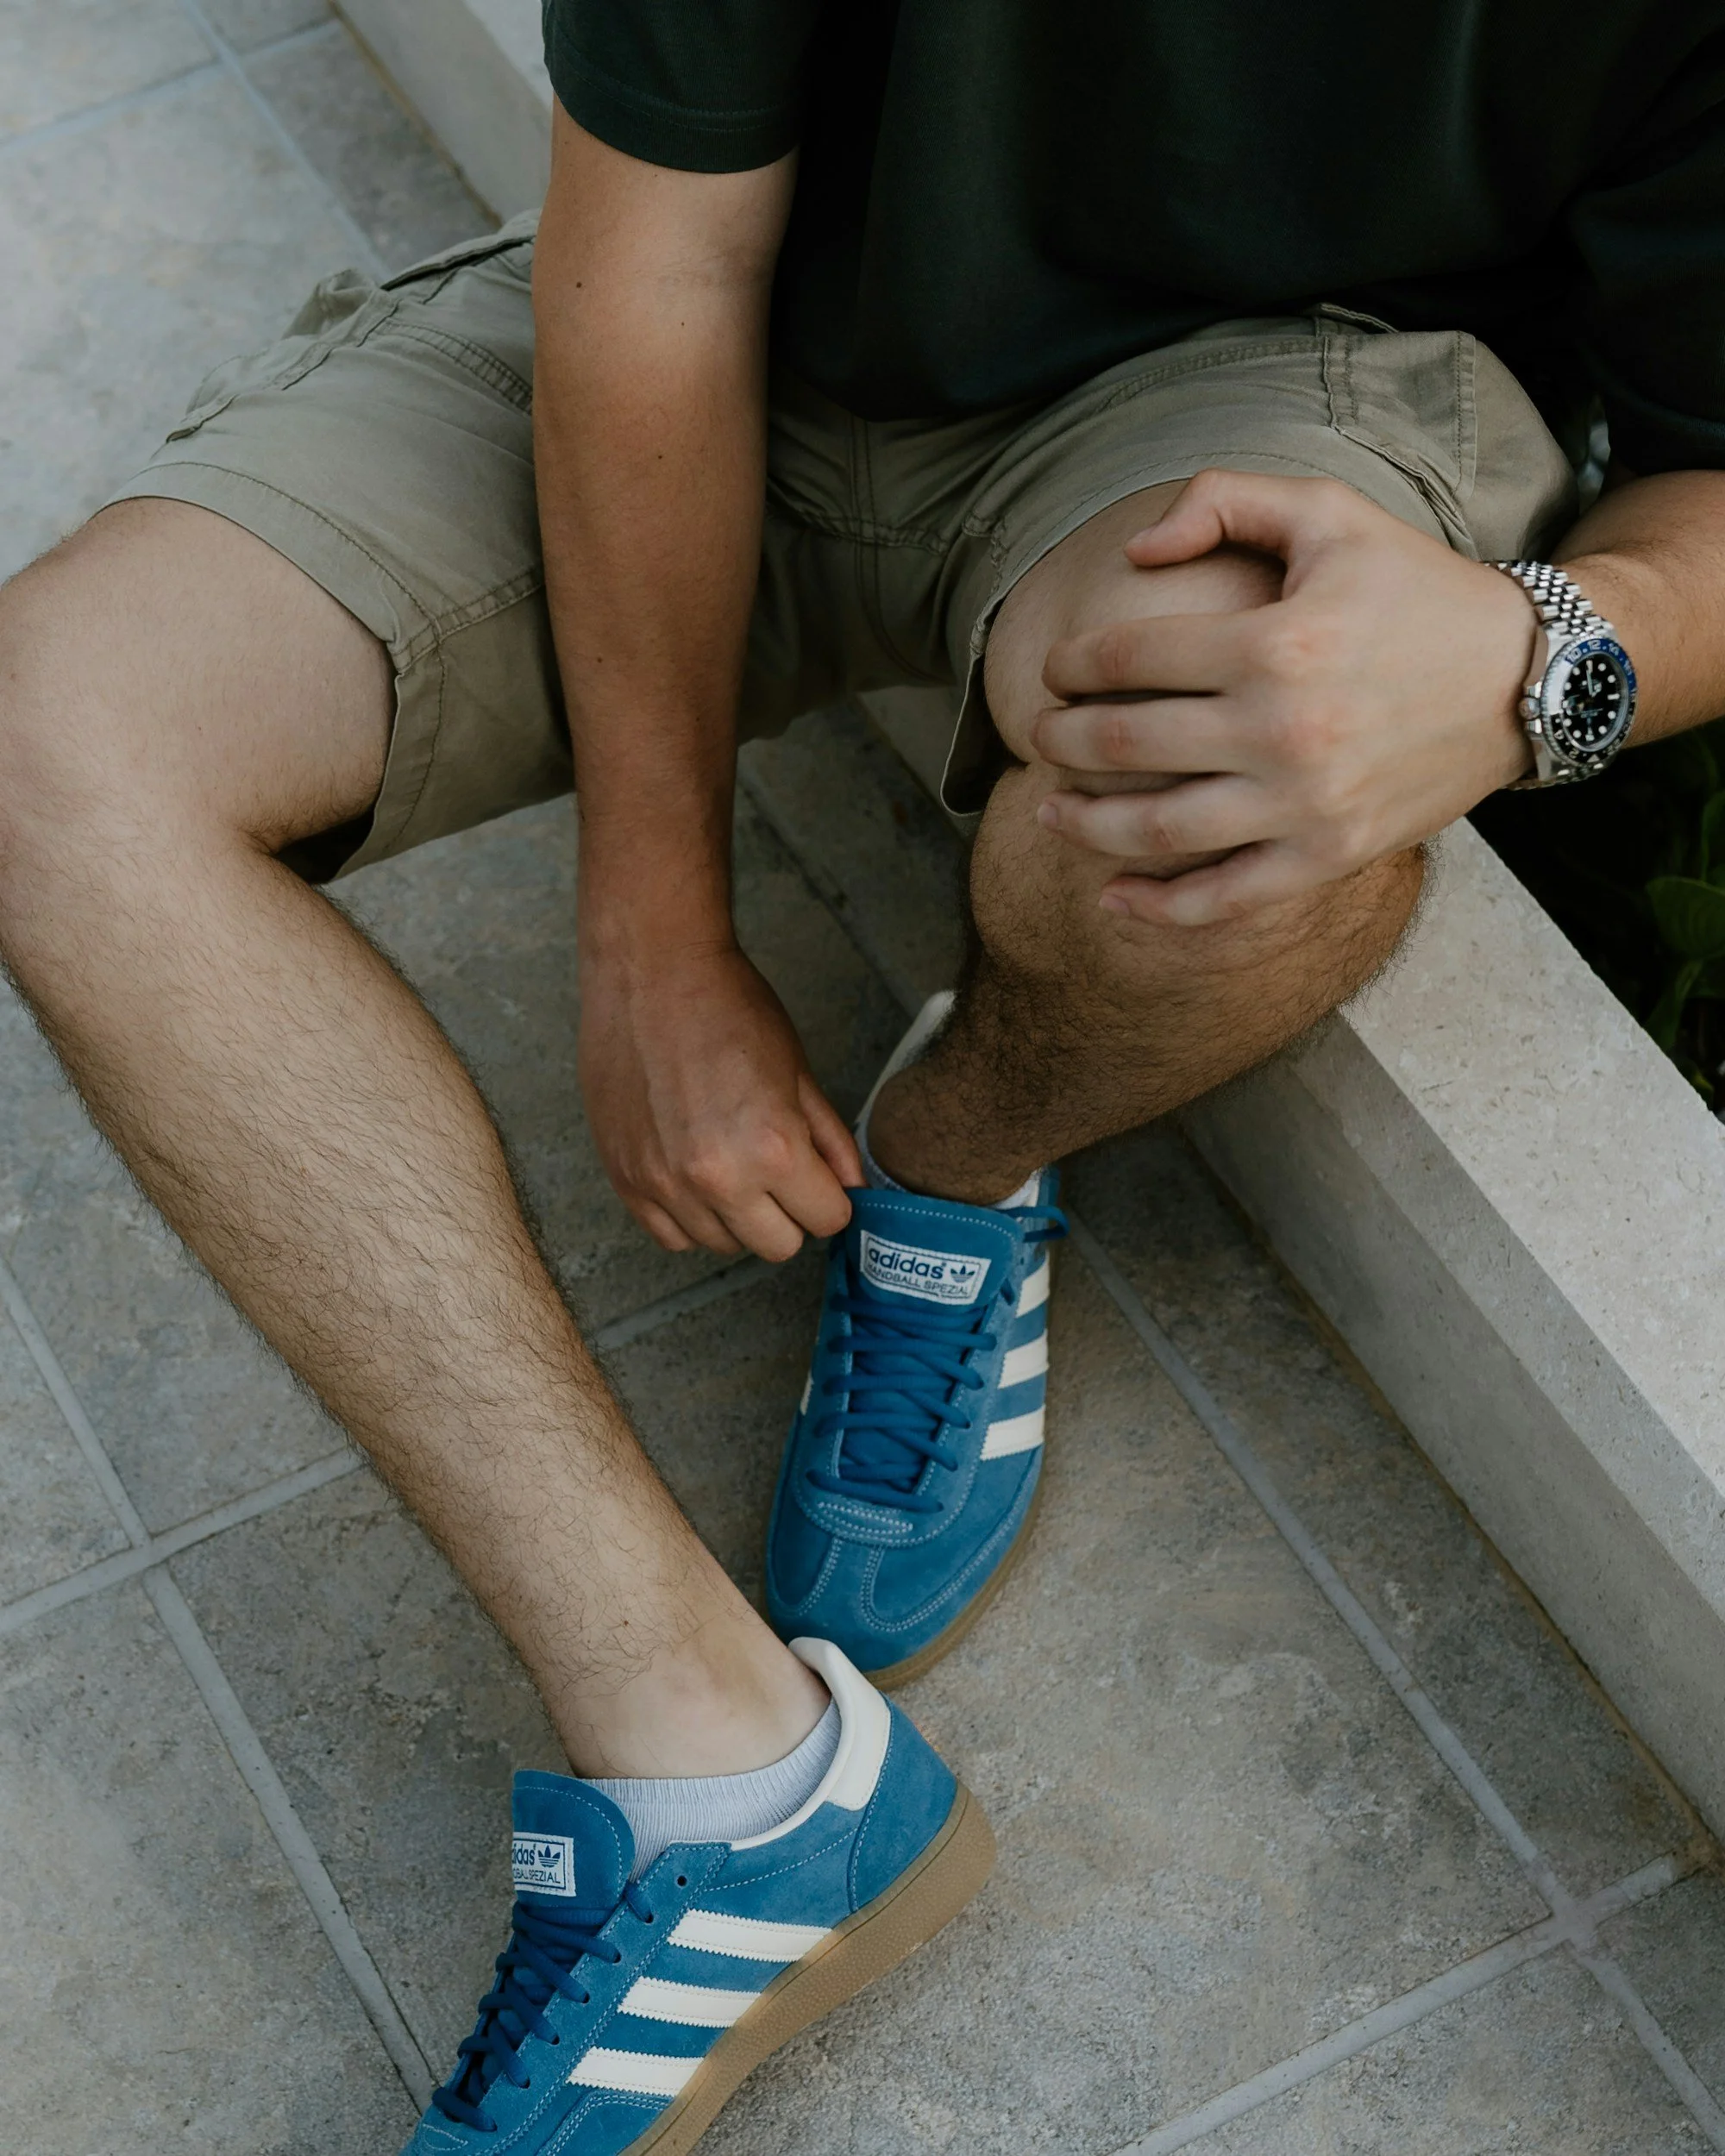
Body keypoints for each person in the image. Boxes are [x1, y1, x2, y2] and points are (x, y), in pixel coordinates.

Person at [5, 2, 1725, 2147]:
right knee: (53, 740)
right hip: (759, 293)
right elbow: (660, 262)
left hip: (1261, 381)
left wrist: (1535, 655)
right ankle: (729, 1779)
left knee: (1229, 826)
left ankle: (958, 1154)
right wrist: (650, 929)